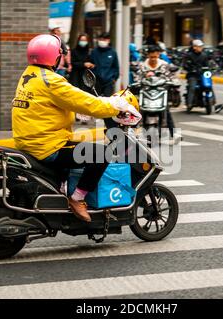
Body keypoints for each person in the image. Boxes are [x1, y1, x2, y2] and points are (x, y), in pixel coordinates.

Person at [12, 34, 141, 222]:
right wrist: (117, 105)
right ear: (55, 57)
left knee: (78, 145)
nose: (62, 59)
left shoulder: (29, 76)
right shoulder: (51, 81)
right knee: (101, 154)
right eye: (61, 55)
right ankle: (77, 198)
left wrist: (75, 113)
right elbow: (88, 102)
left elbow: (43, 107)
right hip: (47, 146)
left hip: (29, 140)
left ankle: (64, 187)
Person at [138, 45, 177, 143]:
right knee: (140, 110)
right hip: (146, 93)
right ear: (148, 55)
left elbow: (171, 77)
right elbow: (137, 78)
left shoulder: (164, 65)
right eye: (151, 57)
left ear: (158, 55)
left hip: (161, 93)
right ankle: (137, 132)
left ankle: (174, 134)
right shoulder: (143, 66)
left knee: (166, 111)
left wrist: (172, 82)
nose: (153, 59)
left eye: (155, 57)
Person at [69, 33, 93, 124]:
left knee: (85, 97)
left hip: (86, 77)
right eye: (81, 40)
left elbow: (93, 62)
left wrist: (91, 65)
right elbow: (73, 63)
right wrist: (83, 64)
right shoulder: (74, 51)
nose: (83, 42)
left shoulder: (90, 52)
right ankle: (76, 115)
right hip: (76, 76)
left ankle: (84, 117)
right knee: (76, 97)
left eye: (85, 40)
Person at [89, 32, 119, 97]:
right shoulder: (94, 52)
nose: (102, 41)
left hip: (109, 82)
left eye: (104, 40)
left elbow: (116, 66)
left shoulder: (112, 52)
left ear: (108, 40)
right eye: (101, 39)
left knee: (107, 102)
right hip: (96, 82)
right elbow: (90, 65)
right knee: (96, 101)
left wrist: (114, 79)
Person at [183, 39, 208, 109]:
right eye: (199, 46)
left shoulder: (204, 55)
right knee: (192, 87)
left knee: (209, 86)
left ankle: (213, 102)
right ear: (194, 47)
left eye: (201, 46)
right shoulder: (189, 55)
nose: (201, 48)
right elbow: (185, 65)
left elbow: (207, 65)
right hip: (192, 75)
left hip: (202, 75)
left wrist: (210, 69)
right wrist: (190, 69)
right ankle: (189, 103)